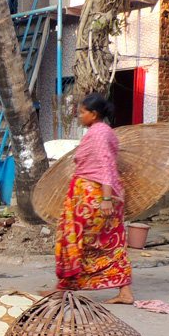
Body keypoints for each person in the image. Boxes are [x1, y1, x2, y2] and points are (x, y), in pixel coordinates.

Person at [50, 93, 134, 304]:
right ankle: (124, 292)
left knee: (78, 240)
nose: (80, 116)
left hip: (94, 196)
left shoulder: (98, 133)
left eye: (82, 112)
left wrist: (106, 199)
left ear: (94, 114)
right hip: (98, 193)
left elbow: (106, 163)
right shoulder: (106, 131)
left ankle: (63, 289)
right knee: (109, 242)